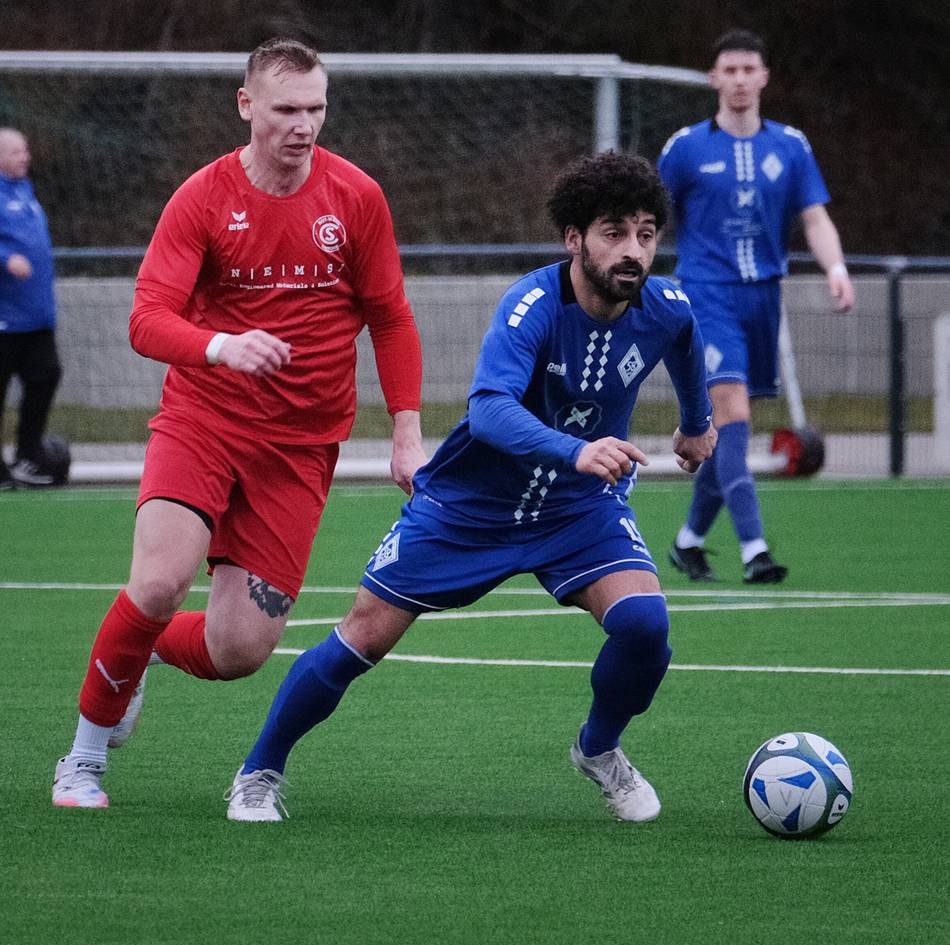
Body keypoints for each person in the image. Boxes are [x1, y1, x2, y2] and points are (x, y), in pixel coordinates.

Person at [223, 151, 717, 824]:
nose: (633, 250)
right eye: (613, 232)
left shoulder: (664, 307)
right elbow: (488, 410)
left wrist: (697, 424)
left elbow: (686, 336)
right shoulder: (532, 305)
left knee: (645, 624)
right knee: (360, 640)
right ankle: (259, 771)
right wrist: (577, 449)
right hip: (469, 506)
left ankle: (599, 750)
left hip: (576, 509)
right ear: (573, 238)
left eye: (646, 233)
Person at [51, 37, 426, 809]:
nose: (304, 124)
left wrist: (407, 429)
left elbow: (390, 317)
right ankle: (83, 758)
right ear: (247, 105)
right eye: (287, 108)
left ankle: (141, 652)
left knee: (239, 651)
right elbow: (147, 319)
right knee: (157, 583)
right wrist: (222, 345)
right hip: (204, 422)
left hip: (300, 448)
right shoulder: (202, 196)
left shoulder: (356, 197)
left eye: (316, 108)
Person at [658, 29, 855, 584]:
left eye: (750, 70)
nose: (741, 79)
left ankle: (688, 542)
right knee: (734, 417)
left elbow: (814, 217)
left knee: (727, 433)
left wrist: (835, 268)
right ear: (714, 78)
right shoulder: (686, 147)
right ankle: (755, 551)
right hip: (705, 295)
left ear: (764, 77)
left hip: (763, 298)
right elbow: (646, 215)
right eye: (731, 70)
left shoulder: (790, 146)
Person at [0, 127, 62, 489]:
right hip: (5, 321)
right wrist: (6, 259)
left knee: (47, 375)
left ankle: (28, 456)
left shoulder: (24, 189)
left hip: (36, 318)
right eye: (16, 152)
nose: (25, 157)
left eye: (25, 151)